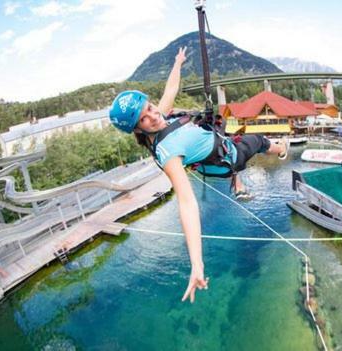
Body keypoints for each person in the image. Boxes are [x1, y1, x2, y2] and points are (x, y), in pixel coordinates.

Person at [108, 47, 289, 303]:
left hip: (219, 149)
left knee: (227, 133)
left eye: (149, 108)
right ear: (138, 129)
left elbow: (170, 91)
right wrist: (197, 264)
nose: (153, 115)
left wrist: (177, 63)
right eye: (145, 119)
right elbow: (186, 203)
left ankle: (239, 180)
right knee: (258, 140)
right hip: (230, 156)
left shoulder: (161, 118)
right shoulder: (168, 152)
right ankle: (281, 149)